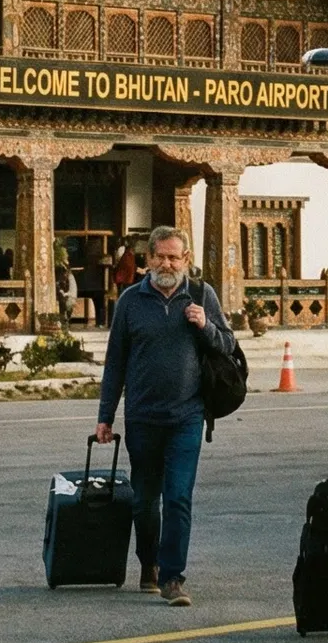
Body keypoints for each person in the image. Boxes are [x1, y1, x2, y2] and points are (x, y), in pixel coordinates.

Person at [94, 225, 237, 607]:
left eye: (174, 257)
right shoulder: (130, 301)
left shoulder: (202, 295)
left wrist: (205, 325)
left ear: (186, 260)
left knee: (178, 497)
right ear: (148, 259)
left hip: (187, 416)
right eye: (159, 256)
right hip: (142, 417)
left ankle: (173, 576)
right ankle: (149, 563)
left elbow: (229, 345)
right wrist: (105, 416)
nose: (166, 263)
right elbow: (115, 364)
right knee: (144, 500)